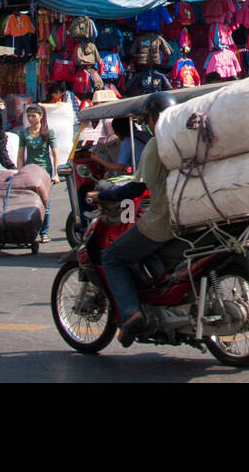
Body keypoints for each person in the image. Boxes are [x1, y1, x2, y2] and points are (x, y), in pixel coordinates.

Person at [91, 91, 179, 347]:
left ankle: (131, 312)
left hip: (165, 219)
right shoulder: (186, 138)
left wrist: (104, 194)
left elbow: (136, 189)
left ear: (152, 119)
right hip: (193, 218)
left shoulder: (157, 143)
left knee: (113, 257)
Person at [16, 104, 59, 243]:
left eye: (33, 116)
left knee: (45, 204)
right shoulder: (24, 133)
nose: (31, 119)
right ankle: (31, 233)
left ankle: (44, 233)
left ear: (41, 116)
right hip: (30, 172)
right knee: (29, 203)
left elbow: (55, 154)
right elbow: (20, 154)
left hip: (45, 171)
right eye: (28, 116)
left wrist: (56, 174)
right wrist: (19, 172)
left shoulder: (48, 132)